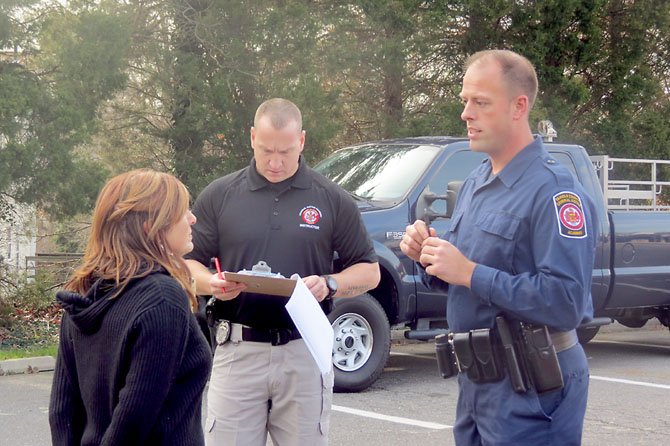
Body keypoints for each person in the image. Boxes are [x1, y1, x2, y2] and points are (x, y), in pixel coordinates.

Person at [400, 50, 598, 445]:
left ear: (518, 106)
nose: (466, 114)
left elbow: (566, 301)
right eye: (465, 101)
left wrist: (470, 272)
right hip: (479, 382)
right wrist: (432, 259)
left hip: (533, 386)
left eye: (481, 102)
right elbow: (468, 280)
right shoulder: (476, 182)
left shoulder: (554, 191)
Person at [184, 97, 380, 446]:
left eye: (285, 152)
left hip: (304, 353)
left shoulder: (331, 199)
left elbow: (370, 271)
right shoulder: (220, 194)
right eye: (266, 151)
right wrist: (210, 284)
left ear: (302, 141)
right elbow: (187, 262)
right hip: (237, 350)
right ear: (251, 138)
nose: (275, 162)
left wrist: (330, 284)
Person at [49, 169, 212, 445]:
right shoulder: (163, 297)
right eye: (182, 210)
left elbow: (62, 412)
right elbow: (133, 420)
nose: (192, 218)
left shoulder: (83, 293)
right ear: (151, 227)